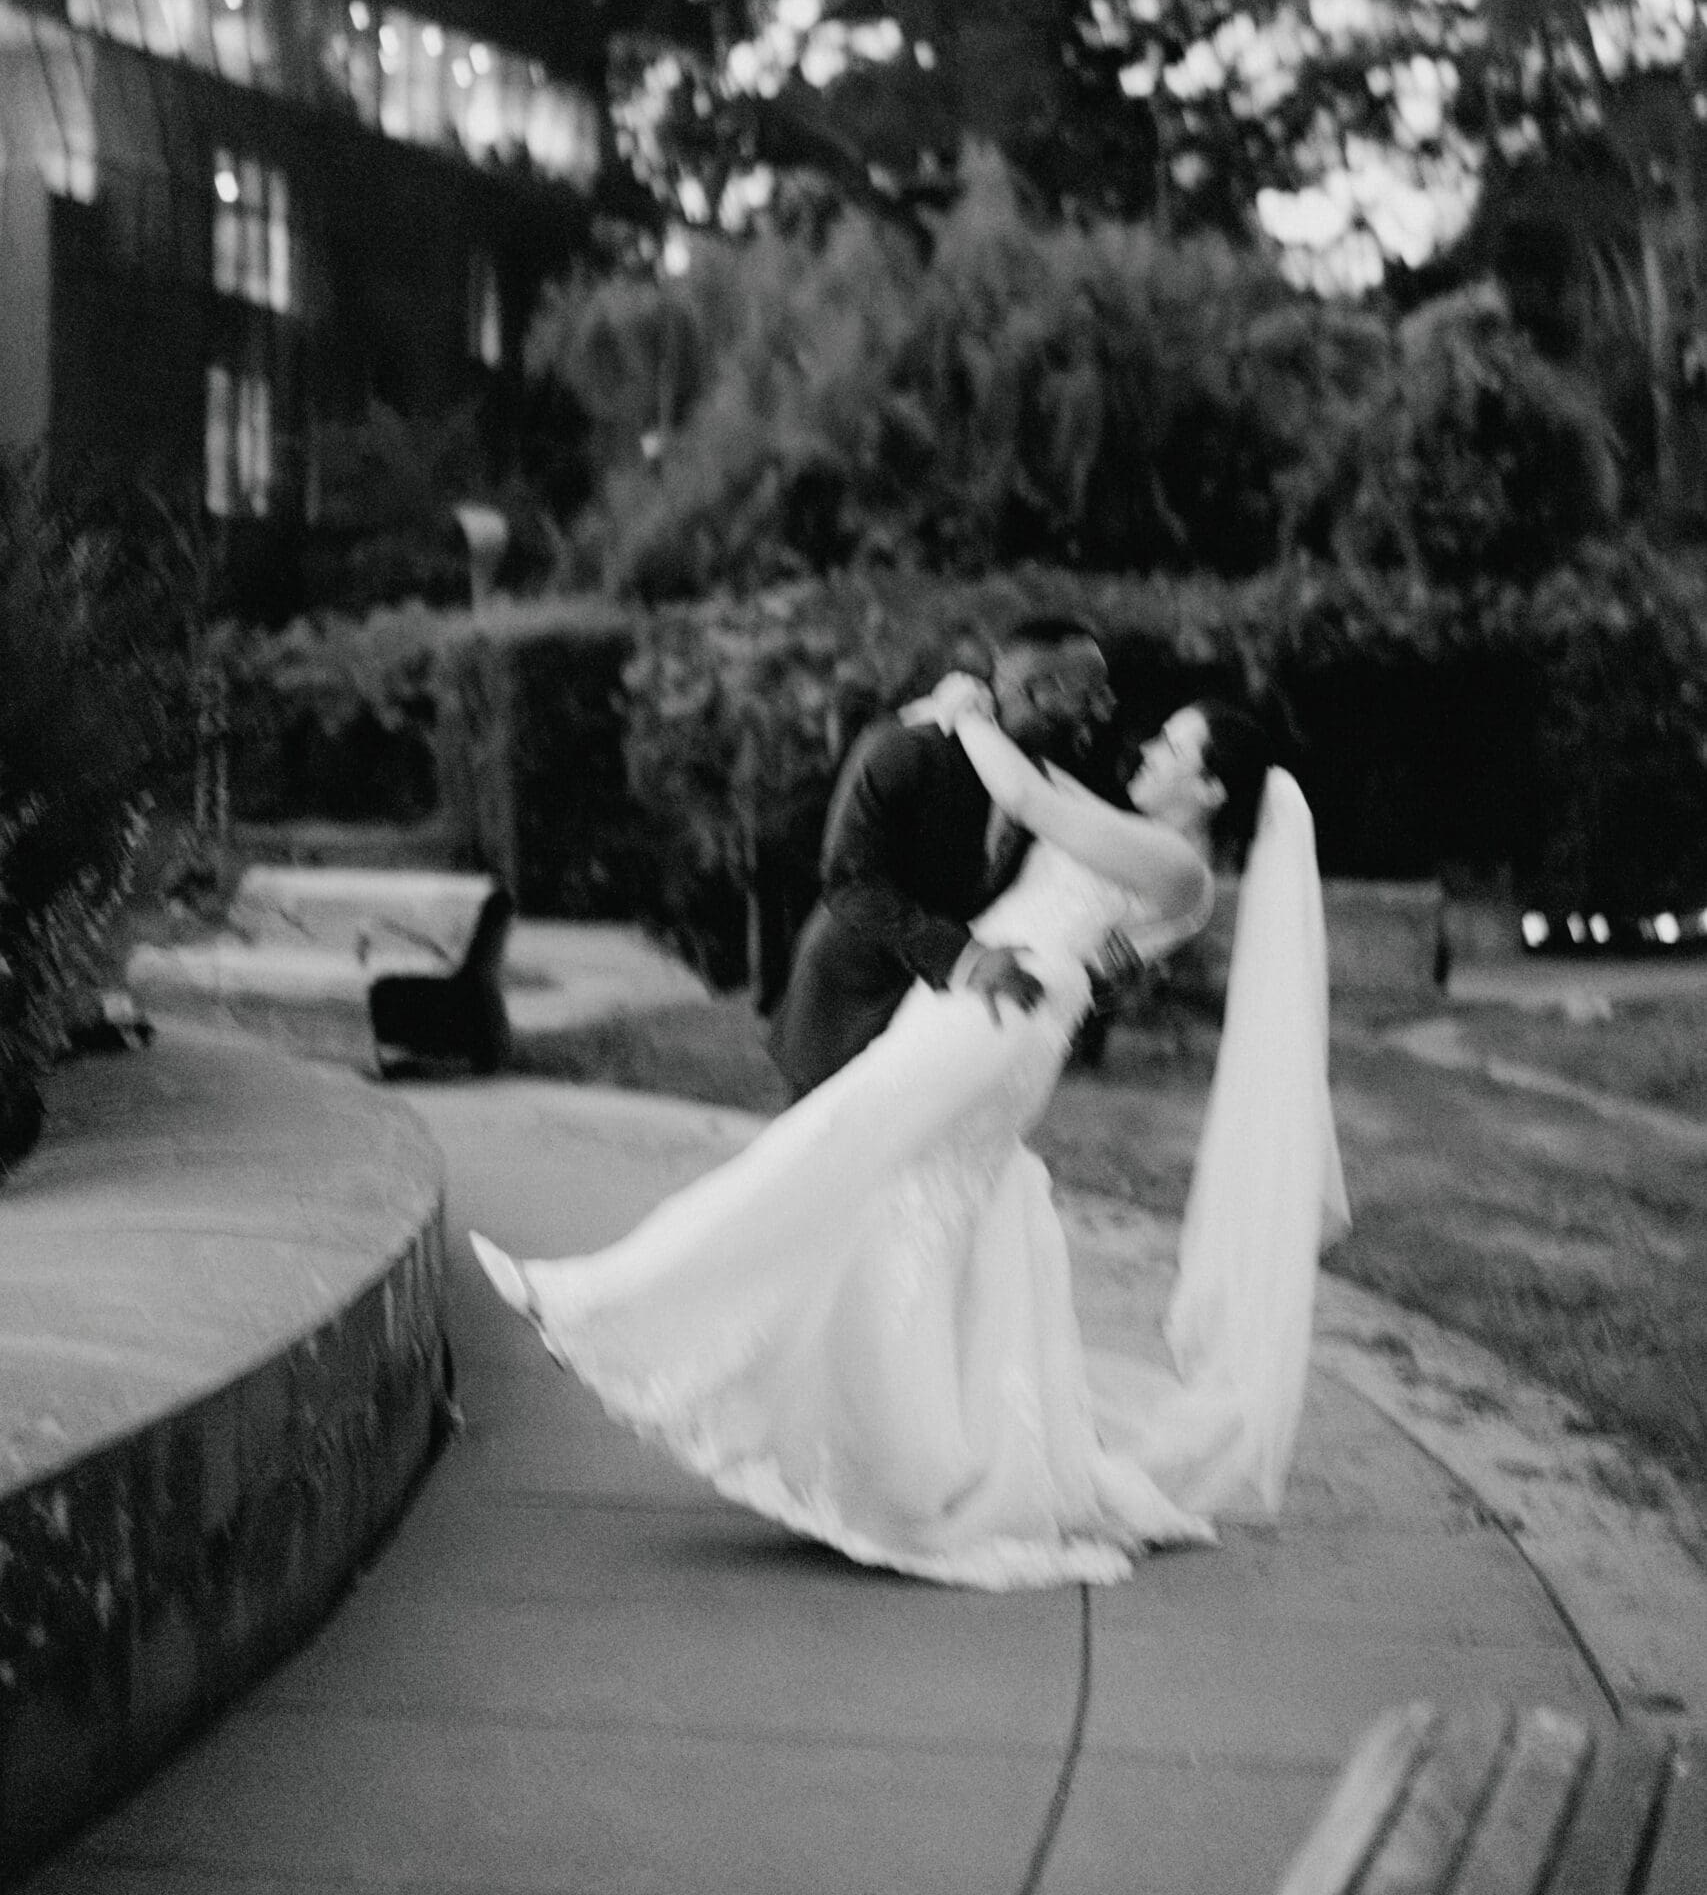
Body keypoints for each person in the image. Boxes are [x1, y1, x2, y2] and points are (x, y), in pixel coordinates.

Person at [471, 685, 1349, 1590]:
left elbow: (1030, 799)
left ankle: (604, 1300)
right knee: (906, 1209)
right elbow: (1047, 803)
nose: (1150, 751)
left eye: (1173, 747)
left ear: (1209, 791)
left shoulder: (1177, 867)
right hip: (983, 1007)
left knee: (827, 1147)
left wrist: (969, 715)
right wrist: (963, 711)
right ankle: (895, 1452)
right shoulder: (1133, 835)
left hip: (996, 1019)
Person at [764, 616, 1117, 1101]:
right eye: (1089, 694)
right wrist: (966, 960)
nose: (1102, 710)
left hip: (940, 1024)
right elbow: (850, 885)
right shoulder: (904, 748)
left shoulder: (1046, 769)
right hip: (852, 1001)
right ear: (1036, 690)